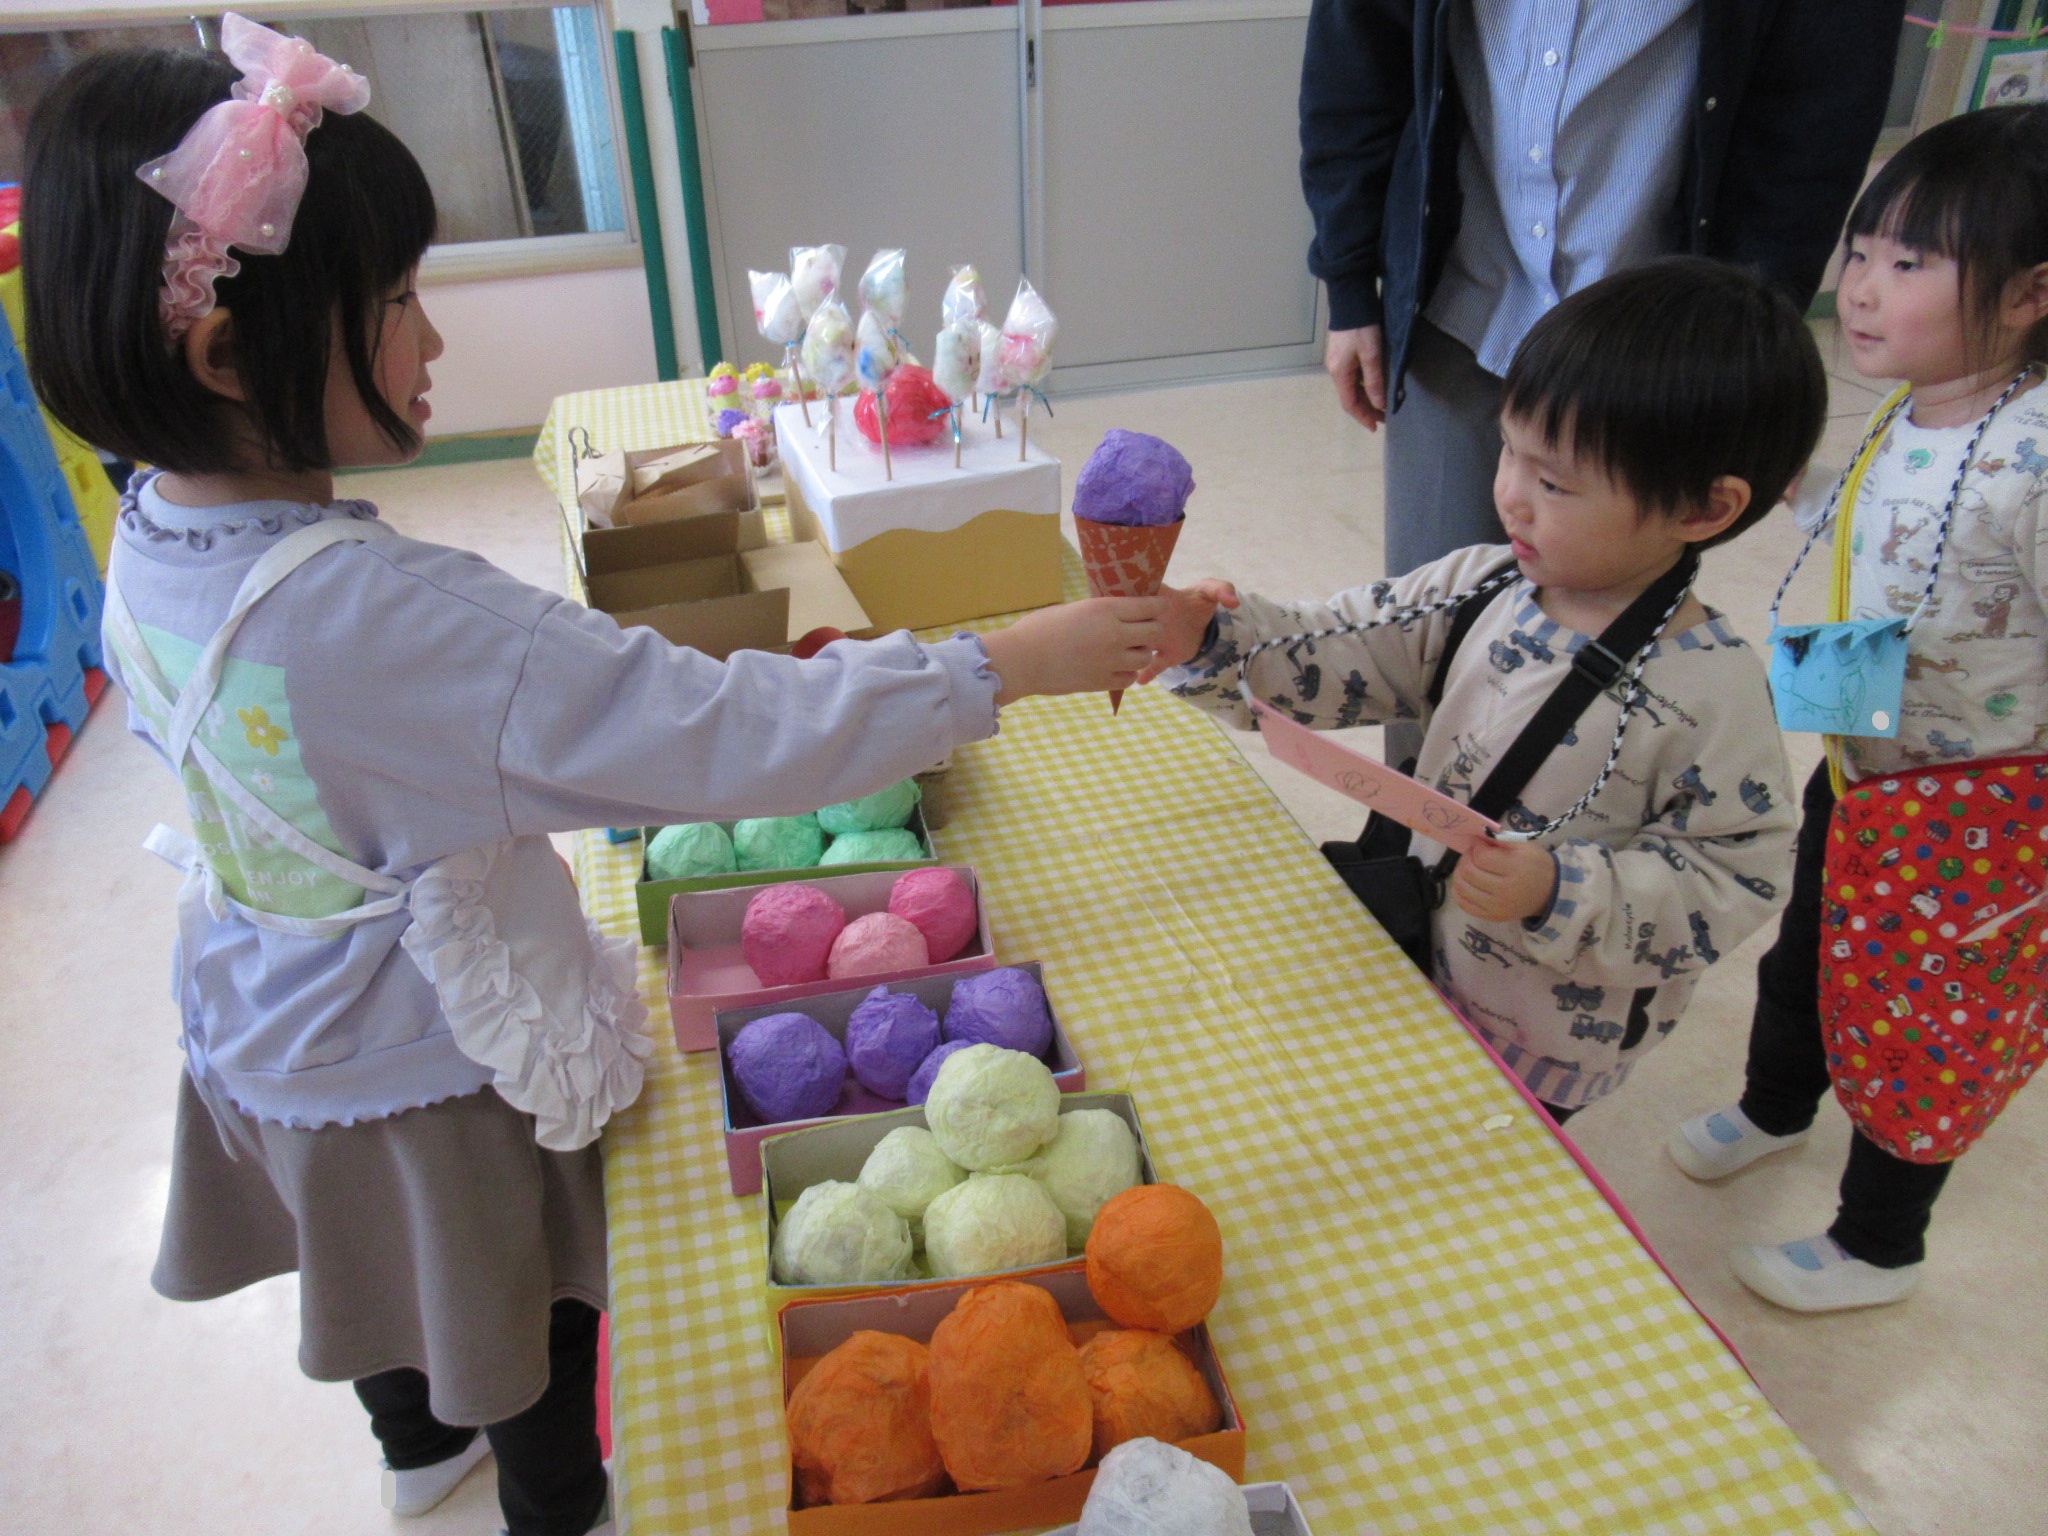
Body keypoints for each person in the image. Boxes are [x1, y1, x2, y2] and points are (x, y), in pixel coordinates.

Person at [20, 22, 1165, 1536]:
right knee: (527, 1321)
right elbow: (722, 730)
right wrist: (998, 662)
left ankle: (414, 1453)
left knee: (375, 1284)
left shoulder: (152, 526)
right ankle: (563, 1508)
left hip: (256, 1018)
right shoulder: (391, 619)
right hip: (425, 1066)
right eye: (398, 303)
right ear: (228, 355)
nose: (433, 345)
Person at [1141, 259, 1821, 1118]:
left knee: (1496, 1155)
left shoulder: (1710, 691)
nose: (1511, 497)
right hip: (1417, 944)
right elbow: (1342, 645)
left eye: (1555, 482)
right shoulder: (1480, 584)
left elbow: (1733, 874)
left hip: (1548, 1032)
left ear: (1703, 510)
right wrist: (1213, 638)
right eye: (1510, 449)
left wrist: (1559, 890)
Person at [1299, 0, 1905, 766]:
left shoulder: (1713, 680)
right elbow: (1355, 70)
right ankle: (1429, 824)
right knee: (1443, 628)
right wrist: (1351, 280)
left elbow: (1808, 141)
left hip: (1654, 352)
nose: (1512, 497)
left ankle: (1557, 821)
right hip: (1468, 301)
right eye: (1869, 260)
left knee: (1602, 643)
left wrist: (1747, 375)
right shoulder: (1887, 445)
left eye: (1906, 265)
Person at [1669, 105, 2048, 1314]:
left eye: (1909, 262)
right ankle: (1773, 1107)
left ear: (2030, 292)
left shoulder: (2033, 451)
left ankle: (1879, 1244)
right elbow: (1880, 526)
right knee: (1807, 956)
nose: (1863, 288)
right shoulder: (1912, 404)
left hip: (1971, 818)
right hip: (1861, 769)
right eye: (1861, 251)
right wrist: (1796, 485)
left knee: (1926, 1020)